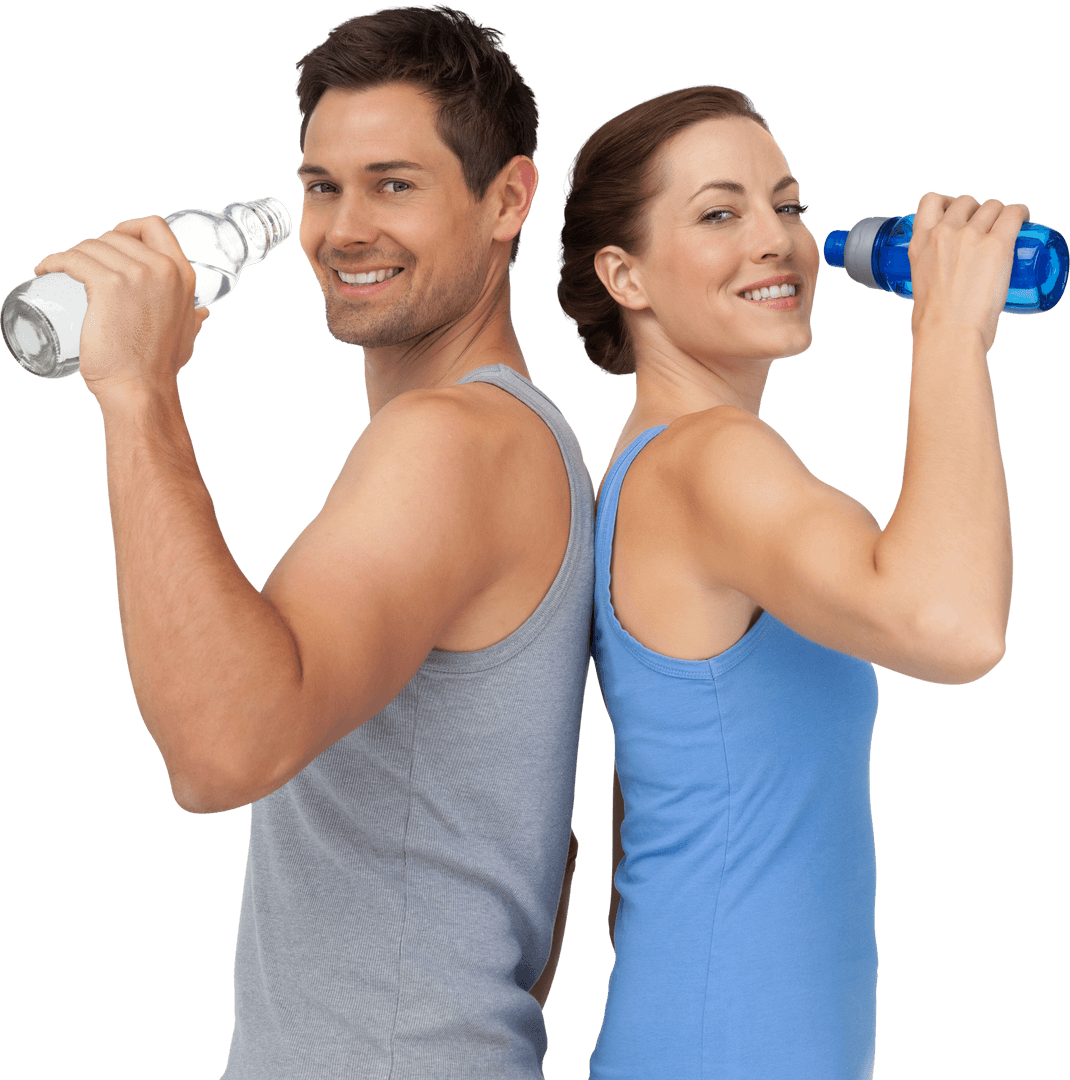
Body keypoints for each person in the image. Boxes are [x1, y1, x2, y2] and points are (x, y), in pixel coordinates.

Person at [31, 6, 592, 1078]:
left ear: (507, 198)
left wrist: (138, 393)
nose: (340, 230)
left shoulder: (450, 442)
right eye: (321, 185)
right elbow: (543, 867)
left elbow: (221, 752)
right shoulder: (515, 440)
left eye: (394, 183)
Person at [556, 84, 1022, 1078]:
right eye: (719, 212)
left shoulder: (673, 462)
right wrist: (946, 335)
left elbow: (646, 820)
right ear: (622, 274)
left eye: (789, 205)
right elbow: (950, 624)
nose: (776, 239)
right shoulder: (708, 462)